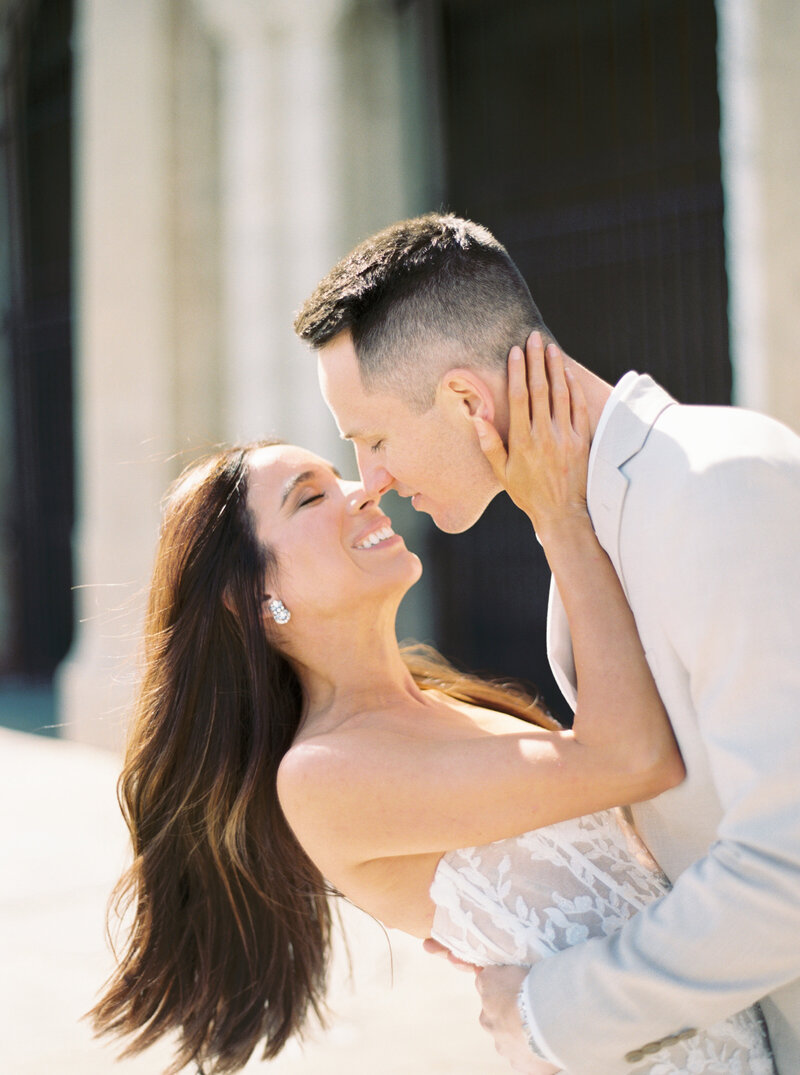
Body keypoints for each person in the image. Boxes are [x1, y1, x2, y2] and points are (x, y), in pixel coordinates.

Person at [90, 353, 773, 1075]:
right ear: (256, 600)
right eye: (309, 498)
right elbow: (634, 758)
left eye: (341, 473)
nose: (364, 489)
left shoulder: (438, 696)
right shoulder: (323, 776)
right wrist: (556, 511)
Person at [293, 213, 800, 1074]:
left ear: (463, 399)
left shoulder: (719, 486)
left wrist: (551, 1008)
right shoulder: (586, 536)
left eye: (372, 439)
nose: (370, 481)